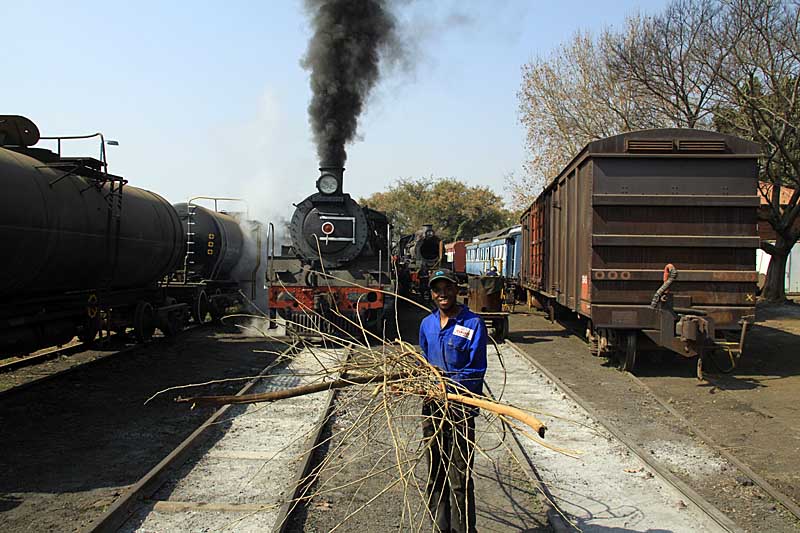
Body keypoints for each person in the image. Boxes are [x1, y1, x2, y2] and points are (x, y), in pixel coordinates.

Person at [418, 268, 487, 533]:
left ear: (456, 290)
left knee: (459, 475)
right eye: (437, 289)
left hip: (460, 408)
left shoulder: (473, 324)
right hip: (432, 407)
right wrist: (421, 382)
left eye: (447, 288)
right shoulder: (427, 324)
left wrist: (448, 384)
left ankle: (464, 530)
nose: (442, 294)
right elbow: (425, 362)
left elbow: (477, 368)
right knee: (435, 472)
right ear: (432, 293)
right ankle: (440, 528)